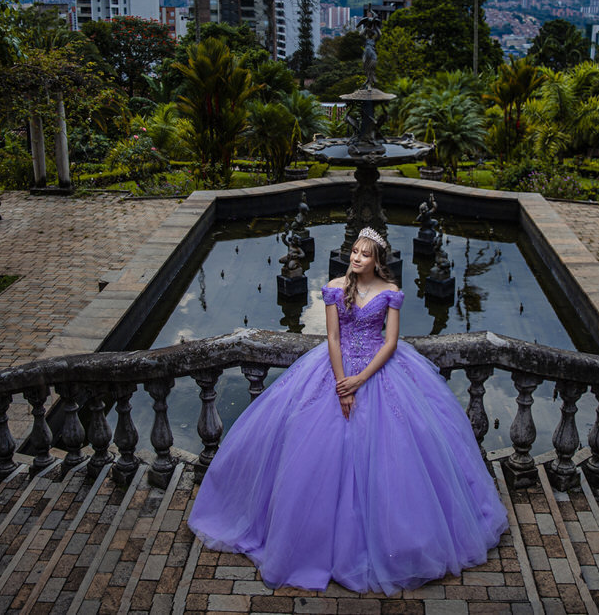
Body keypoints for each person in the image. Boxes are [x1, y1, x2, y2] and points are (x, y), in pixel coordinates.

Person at [188, 226, 508, 594]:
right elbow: (333, 338)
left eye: (364, 254)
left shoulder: (390, 292)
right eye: (355, 251)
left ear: (377, 260)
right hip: (334, 370)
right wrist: (343, 385)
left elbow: (390, 343)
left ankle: (395, 541)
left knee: (398, 451)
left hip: (378, 371)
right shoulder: (335, 288)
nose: (356, 258)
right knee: (311, 449)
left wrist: (361, 380)